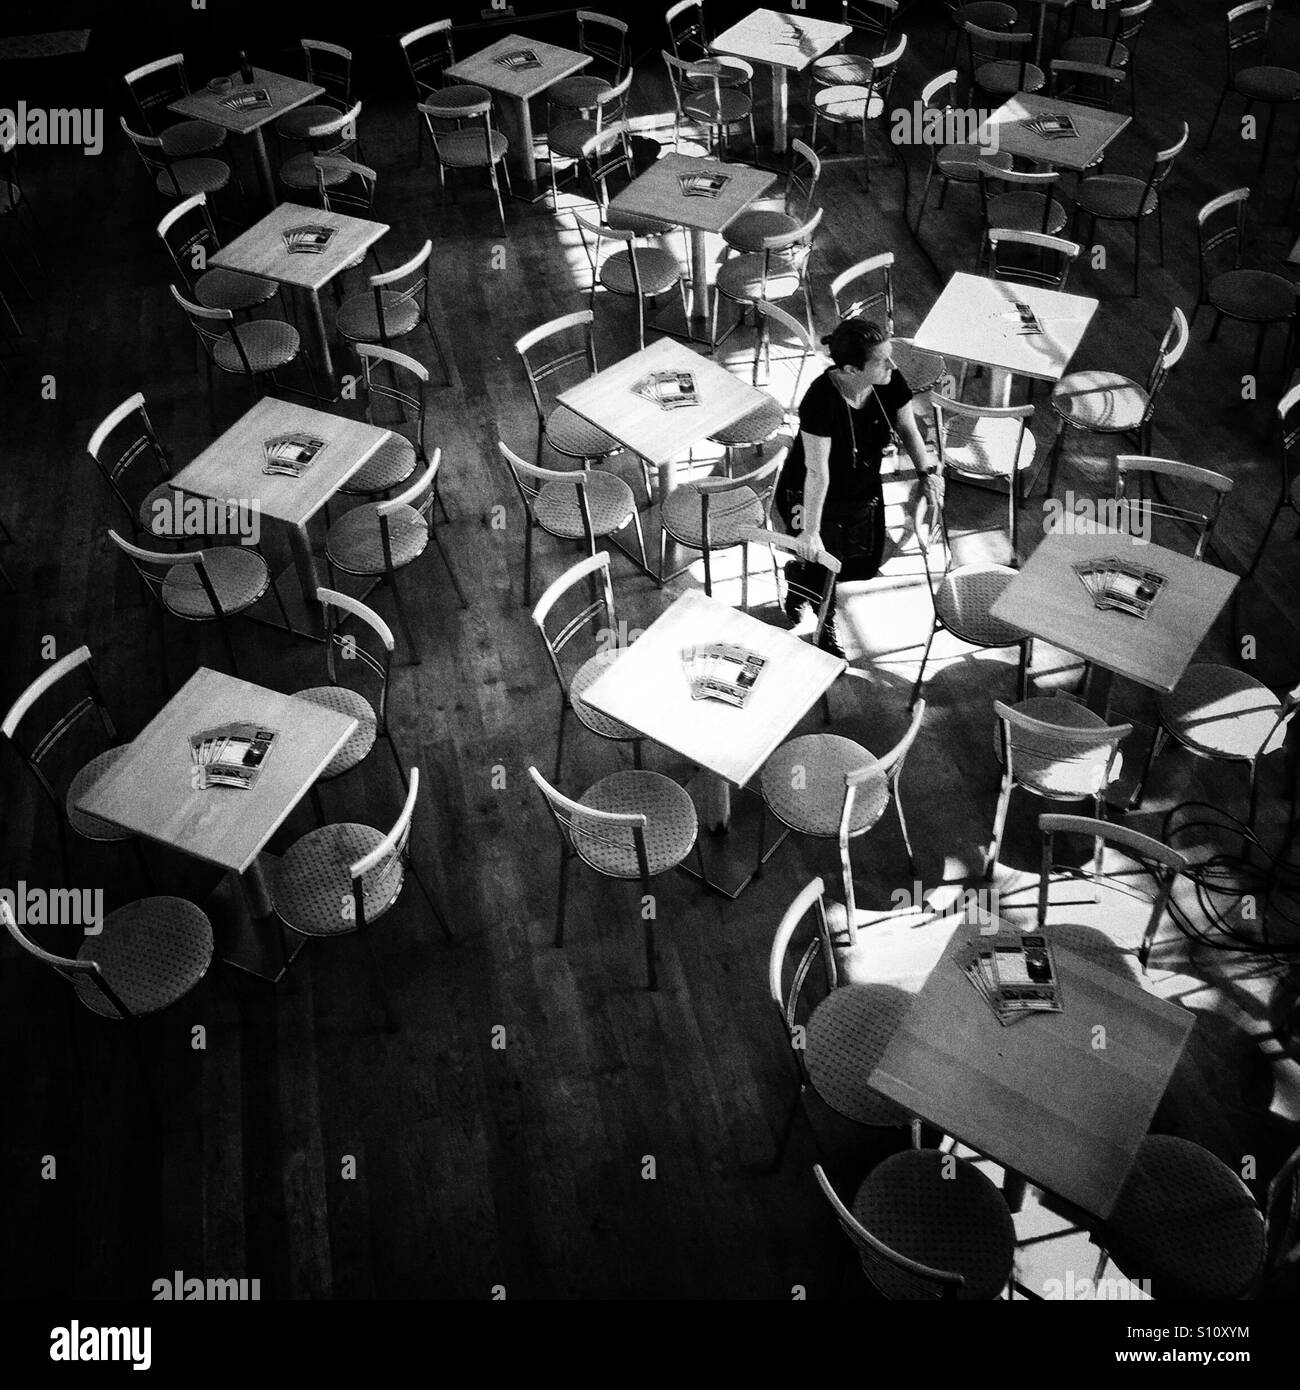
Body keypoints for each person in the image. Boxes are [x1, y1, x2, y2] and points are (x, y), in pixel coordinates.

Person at [776, 318, 945, 658]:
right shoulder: (819, 401)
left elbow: (909, 429)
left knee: (862, 565)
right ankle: (824, 626)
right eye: (882, 360)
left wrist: (927, 473)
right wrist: (810, 531)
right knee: (826, 563)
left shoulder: (889, 381)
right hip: (810, 495)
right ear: (852, 369)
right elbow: (816, 471)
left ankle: (797, 577)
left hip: (861, 490)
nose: (892, 365)